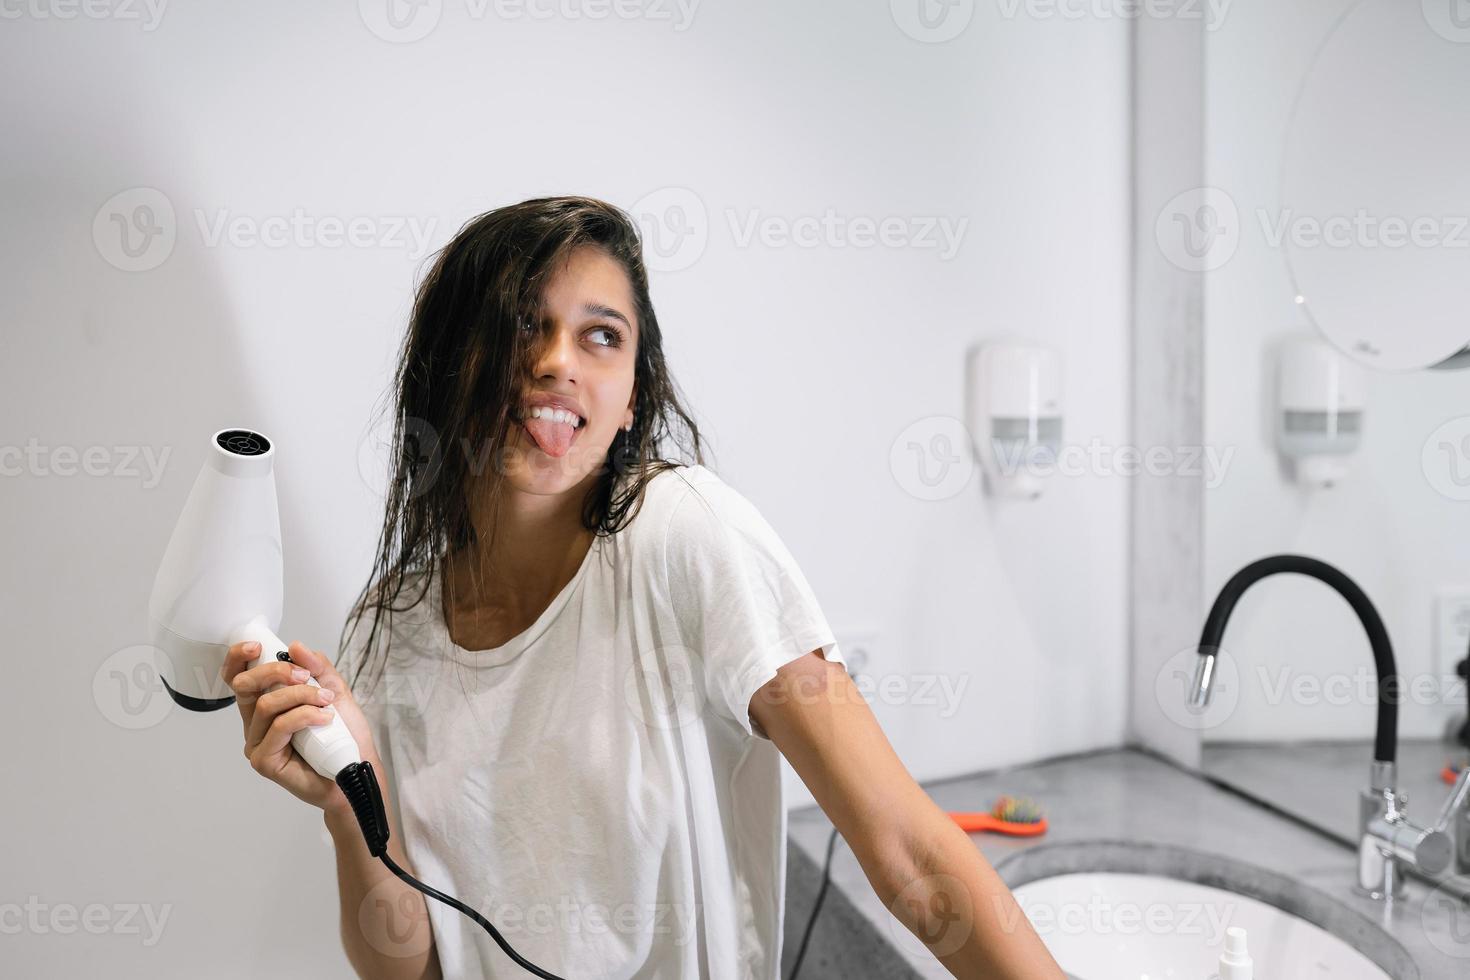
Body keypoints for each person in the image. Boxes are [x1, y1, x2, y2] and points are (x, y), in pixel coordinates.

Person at [220, 196, 1064, 980]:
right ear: (449, 362)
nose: (556, 360)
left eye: (601, 336)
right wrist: (347, 808)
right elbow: (419, 971)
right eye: (523, 323)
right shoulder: (385, 632)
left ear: (631, 399)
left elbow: (909, 852)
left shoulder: (685, 538)